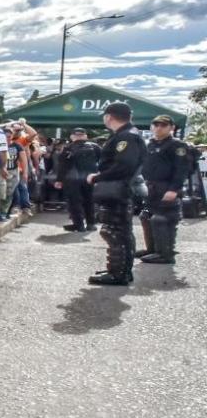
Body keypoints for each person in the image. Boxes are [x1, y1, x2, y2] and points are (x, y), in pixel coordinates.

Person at [86, 103, 145, 285]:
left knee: (115, 232)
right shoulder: (127, 135)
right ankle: (120, 270)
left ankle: (118, 274)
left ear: (109, 116)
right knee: (120, 232)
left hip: (119, 190)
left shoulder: (126, 137)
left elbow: (123, 166)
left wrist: (98, 177)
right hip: (119, 189)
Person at [136, 115, 187, 264]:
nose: (158, 128)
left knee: (162, 219)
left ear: (171, 128)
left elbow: (181, 170)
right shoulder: (149, 144)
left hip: (167, 187)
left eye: (163, 125)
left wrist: (174, 189)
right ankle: (152, 249)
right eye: (155, 125)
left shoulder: (177, 145)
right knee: (146, 216)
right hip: (150, 186)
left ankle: (165, 254)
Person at [53, 128, 101, 232]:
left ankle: (79, 225)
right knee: (89, 200)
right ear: (85, 136)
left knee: (74, 202)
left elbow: (62, 166)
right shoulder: (95, 147)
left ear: (72, 136)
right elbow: (102, 160)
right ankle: (91, 224)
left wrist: (59, 180)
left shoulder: (68, 148)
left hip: (72, 179)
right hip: (90, 178)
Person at [0, 124, 29, 220]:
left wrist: (25, 173)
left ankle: (5, 212)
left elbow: (23, 160)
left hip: (13, 171)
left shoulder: (17, 146)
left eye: (9, 136)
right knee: (0, 193)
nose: (7, 138)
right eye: (5, 136)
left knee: (9, 193)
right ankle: (0, 212)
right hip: (0, 171)